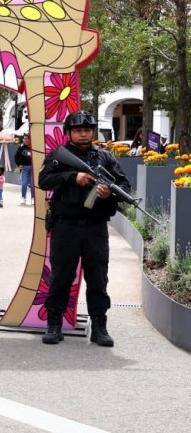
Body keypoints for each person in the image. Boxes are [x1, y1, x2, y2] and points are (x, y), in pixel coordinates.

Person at [38, 111, 131, 347]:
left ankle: (99, 326)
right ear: (69, 133)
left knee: (98, 278)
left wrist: (110, 192)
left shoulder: (105, 158)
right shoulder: (58, 158)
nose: (83, 134)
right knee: (61, 277)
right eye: (78, 130)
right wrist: (72, 177)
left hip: (95, 228)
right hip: (65, 227)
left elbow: (124, 184)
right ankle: (54, 324)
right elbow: (44, 180)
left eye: (87, 130)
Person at [14, 134, 34, 205]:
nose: (25, 140)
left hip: (33, 168)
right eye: (24, 139)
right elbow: (16, 157)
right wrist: (19, 164)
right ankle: (23, 197)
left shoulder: (34, 146)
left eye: (27, 139)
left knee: (32, 184)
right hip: (24, 167)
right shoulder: (21, 147)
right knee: (24, 183)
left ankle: (33, 198)